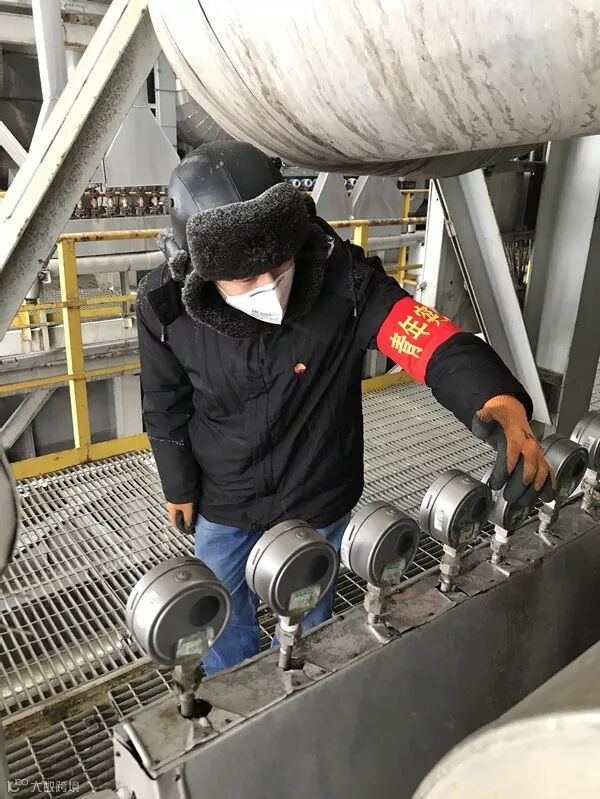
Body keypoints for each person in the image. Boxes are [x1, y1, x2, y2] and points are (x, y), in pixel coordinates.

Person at [137, 141, 553, 675]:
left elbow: (422, 335)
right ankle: (230, 685)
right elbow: (164, 403)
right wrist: (178, 485)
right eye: (245, 276)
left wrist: (491, 394)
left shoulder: (344, 281)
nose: (269, 287)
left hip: (319, 490)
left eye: (279, 264)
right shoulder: (166, 307)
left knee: (310, 609)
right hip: (225, 495)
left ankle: (310, 680)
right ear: (195, 268)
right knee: (223, 613)